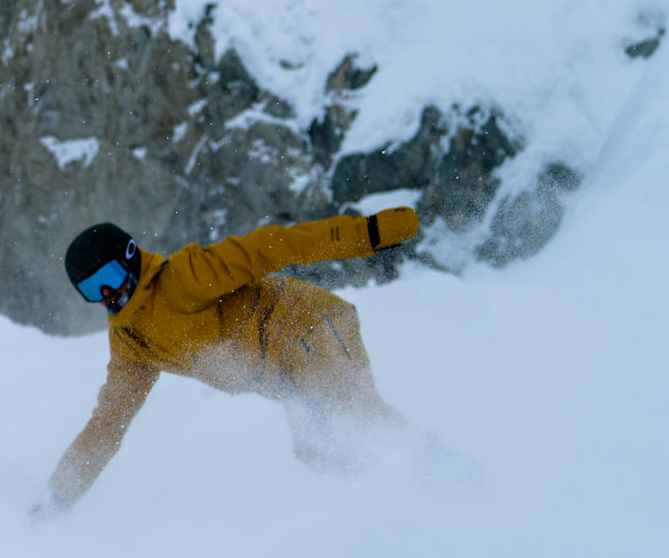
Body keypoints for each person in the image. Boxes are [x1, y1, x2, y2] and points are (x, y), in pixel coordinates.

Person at [34, 208, 465, 518]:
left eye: (107, 278)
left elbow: (271, 247)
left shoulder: (184, 277)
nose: (107, 294)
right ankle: (408, 503)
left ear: (129, 256)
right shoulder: (131, 343)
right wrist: (60, 498)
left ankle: (444, 475)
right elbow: (108, 423)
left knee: (350, 413)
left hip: (310, 325)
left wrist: (366, 234)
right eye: (91, 290)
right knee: (318, 452)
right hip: (288, 376)